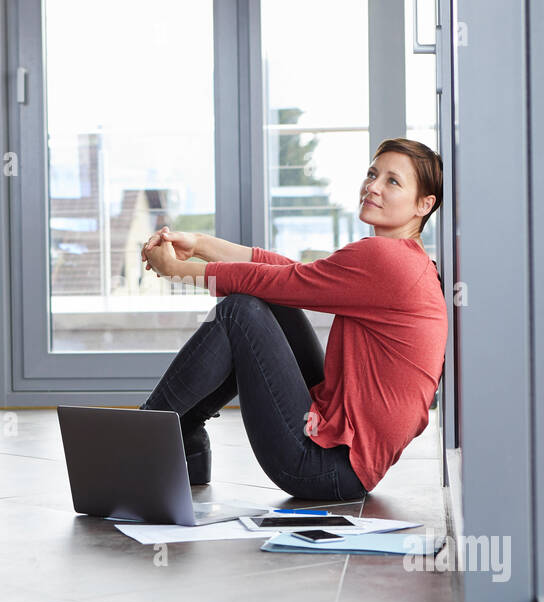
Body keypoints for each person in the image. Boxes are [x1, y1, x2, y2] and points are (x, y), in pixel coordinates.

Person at [138, 138, 448, 501]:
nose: (372, 187)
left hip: (324, 467)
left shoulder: (387, 259)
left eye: (392, 182)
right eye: (372, 173)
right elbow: (292, 273)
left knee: (240, 312)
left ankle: (141, 438)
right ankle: (184, 431)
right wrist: (200, 244)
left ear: (424, 205)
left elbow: (279, 279)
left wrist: (178, 270)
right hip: (340, 456)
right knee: (273, 301)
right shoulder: (409, 260)